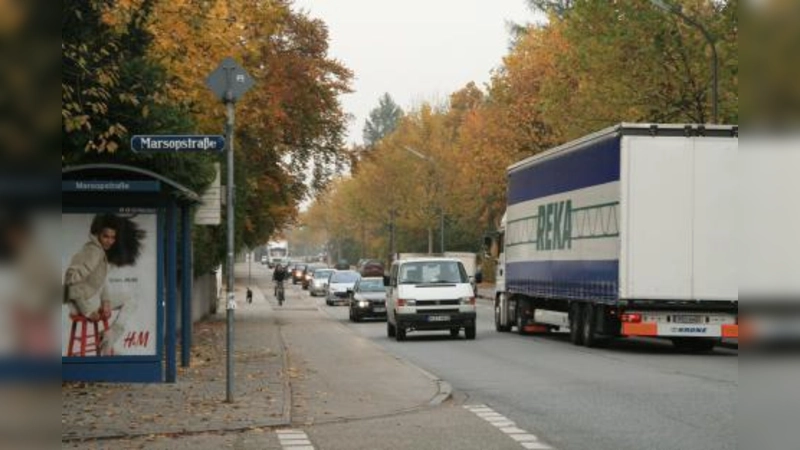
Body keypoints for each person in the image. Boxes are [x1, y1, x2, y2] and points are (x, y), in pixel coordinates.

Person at [63, 213, 144, 356]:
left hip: (92, 299)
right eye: (105, 236)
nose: (109, 241)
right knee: (132, 298)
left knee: (131, 298)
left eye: (113, 237)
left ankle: (108, 338)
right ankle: (108, 342)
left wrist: (106, 301)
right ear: (97, 234)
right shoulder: (92, 252)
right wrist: (87, 310)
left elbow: (102, 281)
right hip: (81, 304)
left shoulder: (100, 252)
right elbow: (71, 282)